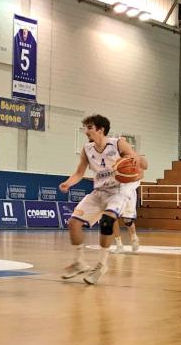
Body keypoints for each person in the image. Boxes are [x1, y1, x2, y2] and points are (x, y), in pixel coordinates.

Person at [59, 114, 146, 285]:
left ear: (101, 129)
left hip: (118, 190)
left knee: (107, 221)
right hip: (99, 190)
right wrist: (68, 183)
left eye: (90, 127)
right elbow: (79, 173)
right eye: (86, 127)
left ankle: (101, 265)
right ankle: (79, 262)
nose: (86, 131)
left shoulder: (118, 144)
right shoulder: (87, 149)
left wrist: (137, 167)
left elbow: (139, 165)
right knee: (73, 223)